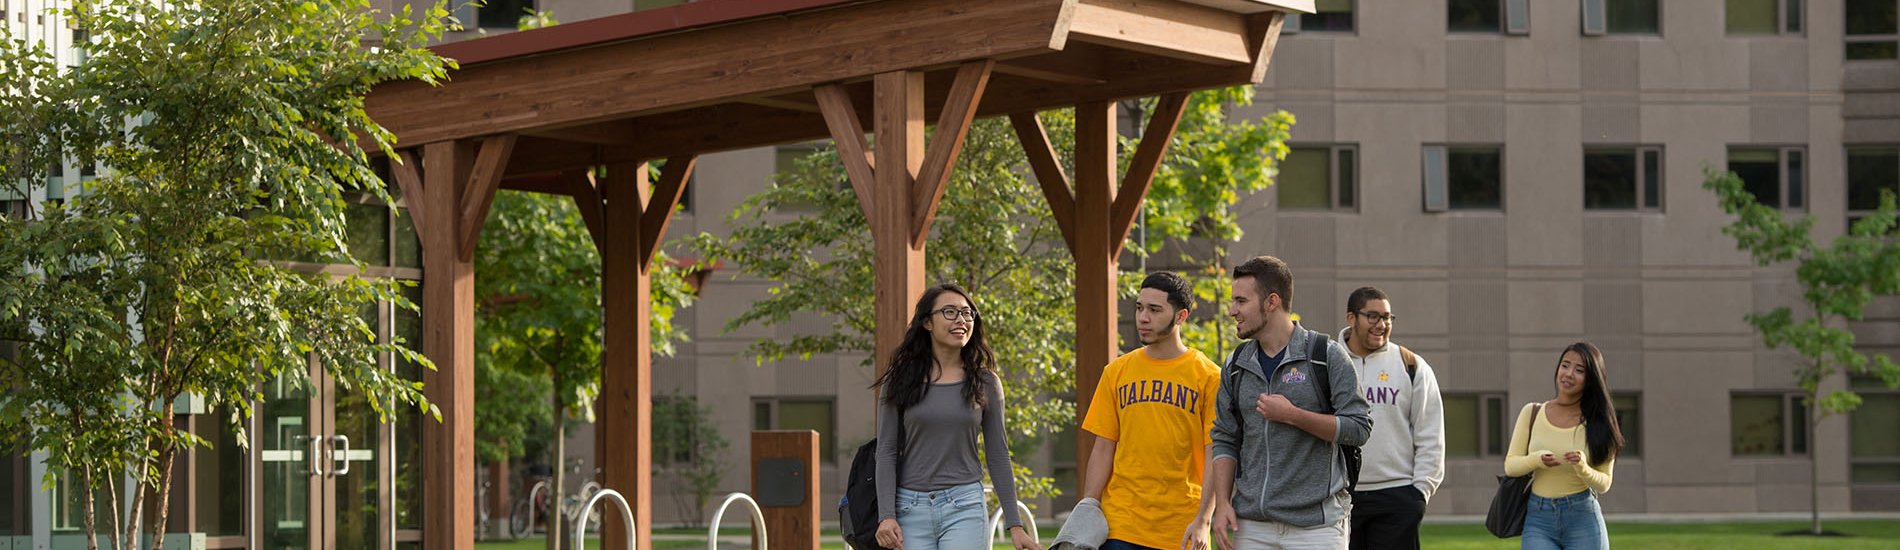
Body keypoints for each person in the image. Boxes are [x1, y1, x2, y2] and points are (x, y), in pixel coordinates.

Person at [1209, 256, 1372, 550]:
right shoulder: (1235, 364)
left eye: (1241, 301)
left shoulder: (1326, 356)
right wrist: (1221, 504)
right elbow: (1224, 438)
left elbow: (1358, 427)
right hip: (1252, 526)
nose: (1232, 310)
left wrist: (1293, 415)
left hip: (1317, 528)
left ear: (1271, 302)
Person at [872, 284, 1042, 550]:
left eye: (967, 313)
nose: (961, 320)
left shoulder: (986, 382)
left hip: (965, 506)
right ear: (927, 322)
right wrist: (886, 516)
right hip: (909, 509)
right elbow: (886, 450)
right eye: (950, 312)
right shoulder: (899, 381)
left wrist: (1015, 525)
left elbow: (998, 454)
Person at [1079, 272, 1222, 550]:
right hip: (1121, 524)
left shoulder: (1209, 377)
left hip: (1181, 526)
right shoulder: (1116, 372)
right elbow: (1103, 448)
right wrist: (1088, 508)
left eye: (1154, 310)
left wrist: (1204, 519)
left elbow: (1215, 453)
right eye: (1139, 308)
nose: (1143, 318)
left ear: (1180, 316)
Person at [1335, 287, 1444, 550]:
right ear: (1351, 318)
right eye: (1372, 316)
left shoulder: (1411, 365)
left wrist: (1419, 493)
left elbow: (1431, 433)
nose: (1382, 325)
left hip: (1398, 497)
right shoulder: (1329, 362)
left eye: (1387, 317)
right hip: (1339, 496)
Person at [1504, 342, 1623, 550]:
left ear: (1591, 379)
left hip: (1583, 519)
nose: (1568, 374)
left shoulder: (1601, 423)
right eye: (1565, 365)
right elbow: (1510, 466)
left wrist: (1583, 467)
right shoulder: (1532, 413)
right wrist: (1537, 460)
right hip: (1538, 520)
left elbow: (1604, 483)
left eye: (1579, 370)